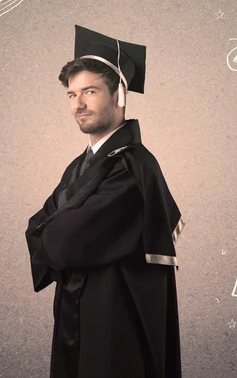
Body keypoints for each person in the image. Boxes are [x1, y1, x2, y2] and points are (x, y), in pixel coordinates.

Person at [25, 25, 185, 378]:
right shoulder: (81, 165)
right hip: (77, 313)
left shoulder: (133, 168)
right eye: (71, 95)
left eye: (90, 92)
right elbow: (36, 227)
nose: (78, 105)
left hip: (117, 320)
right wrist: (57, 229)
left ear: (119, 96)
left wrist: (57, 229)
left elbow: (60, 241)